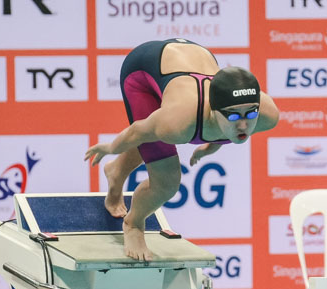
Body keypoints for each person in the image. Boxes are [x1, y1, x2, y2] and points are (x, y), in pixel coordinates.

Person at [85, 38, 279, 261]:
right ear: (214, 111)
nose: (244, 125)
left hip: (193, 58)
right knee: (166, 182)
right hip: (144, 70)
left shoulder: (266, 115)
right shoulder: (179, 121)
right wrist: (110, 147)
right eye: (234, 116)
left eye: (250, 114)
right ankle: (134, 224)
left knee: (160, 136)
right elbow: (138, 132)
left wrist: (209, 149)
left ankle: (116, 172)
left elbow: (230, 126)